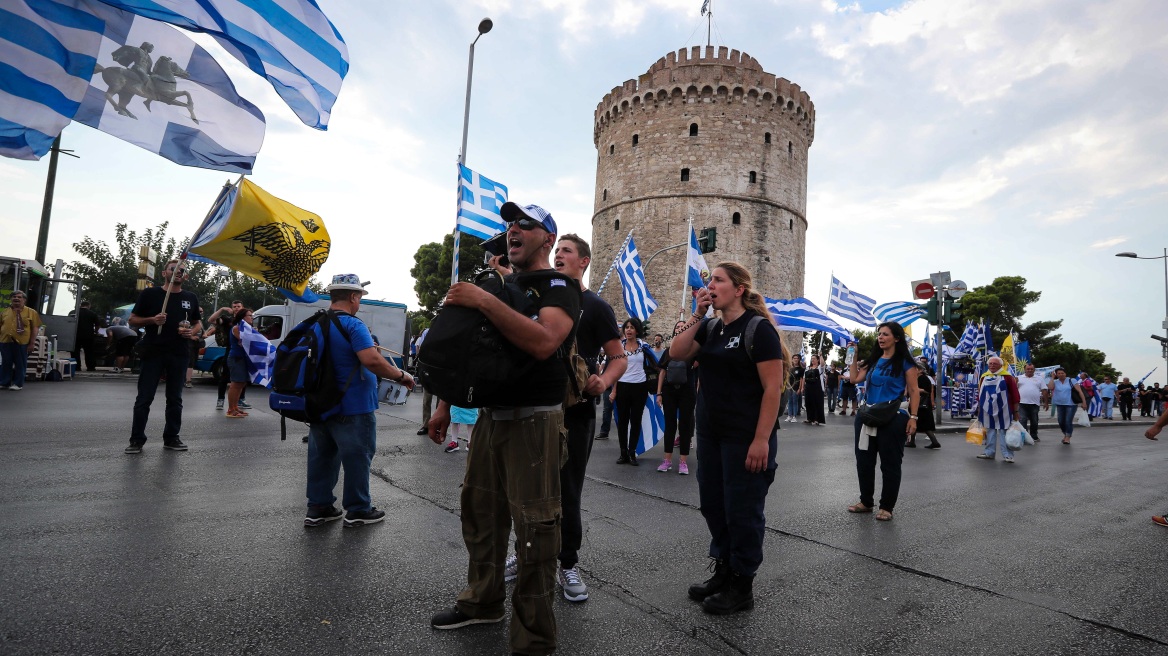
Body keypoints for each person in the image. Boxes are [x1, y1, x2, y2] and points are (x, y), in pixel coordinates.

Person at [427, 202, 580, 656]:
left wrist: (484, 300)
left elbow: (544, 341)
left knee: (534, 530)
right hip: (491, 417)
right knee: (480, 516)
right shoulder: (501, 284)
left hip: (535, 420)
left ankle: (533, 638)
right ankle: (483, 602)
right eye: (509, 225)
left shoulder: (559, 286)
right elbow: (470, 354)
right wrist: (444, 405)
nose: (512, 230)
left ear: (548, 238)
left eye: (525, 225)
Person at [668, 262, 786, 615]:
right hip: (712, 434)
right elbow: (675, 353)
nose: (711, 284)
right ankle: (723, 570)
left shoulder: (758, 329)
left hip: (745, 436)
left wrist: (761, 440)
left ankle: (742, 584)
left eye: (718, 280)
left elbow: (772, 389)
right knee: (714, 505)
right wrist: (697, 313)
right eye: (710, 280)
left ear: (738, 290)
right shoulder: (711, 327)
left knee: (743, 512)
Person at [537, 233, 625, 602]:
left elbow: (619, 357)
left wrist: (603, 380)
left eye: (566, 251)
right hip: (536, 407)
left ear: (583, 261)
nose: (558, 255)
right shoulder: (540, 299)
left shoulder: (596, 306)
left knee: (567, 490)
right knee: (532, 488)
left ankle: (567, 563)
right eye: (556, 251)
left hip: (577, 412)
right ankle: (529, 552)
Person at [305, 273, 415, 528]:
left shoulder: (315, 323)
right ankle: (358, 510)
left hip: (320, 403)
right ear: (353, 297)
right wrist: (401, 376)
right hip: (353, 405)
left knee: (321, 457)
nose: (359, 303)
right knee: (357, 457)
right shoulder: (354, 326)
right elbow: (372, 359)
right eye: (359, 298)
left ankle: (318, 507)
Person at [124, 261, 202, 453]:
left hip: (179, 353)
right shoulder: (150, 294)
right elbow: (132, 320)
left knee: (175, 398)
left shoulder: (190, 297)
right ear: (164, 272)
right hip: (154, 351)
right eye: (173, 269)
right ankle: (136, 440)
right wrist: (152, 320)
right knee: (144, 397)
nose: (178, 272)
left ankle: (172, 438)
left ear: (185, 276)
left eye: (181, 270)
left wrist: (191, 332)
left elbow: (198, 323)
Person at [846, 322, 920, 522]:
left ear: (896, 338)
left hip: (893, 417)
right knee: (864, 462)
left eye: (885, 334)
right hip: (867, 416)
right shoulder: (874, 360)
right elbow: (854, 379)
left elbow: (913, 391)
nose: (880, 337)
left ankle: (887, 506)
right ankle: (866, 502)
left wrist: (913, 418)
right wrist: (852, 356)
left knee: (890, 464)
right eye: (879, 334)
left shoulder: (905, 362)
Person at [611, 317, 655, 466]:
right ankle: (623, 452)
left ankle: (632, 452)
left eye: (632, 327)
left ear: (637, 330)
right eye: (627, 327)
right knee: (622, 421)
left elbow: (655, 364)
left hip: (639, 387)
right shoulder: (619, 347)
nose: (629, 330)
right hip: (623, 386)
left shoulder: (644, 346)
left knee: (635, 421)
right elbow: (615, 369)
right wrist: (614, 390)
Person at [655, 319, 697, 474]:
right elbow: (662, 372)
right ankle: (667, 460)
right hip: (669, 391)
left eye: (683, 327)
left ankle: (683, 462)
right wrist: (659, 393)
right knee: (670, 424)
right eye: (677, 327)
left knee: (685, 425)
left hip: (687, 391)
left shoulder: (693, 350)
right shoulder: (669, 351)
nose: (680, 329)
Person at [975, 357, 1020, 463]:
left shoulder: (1008, 377)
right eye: (990, 363)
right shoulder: (984, 377)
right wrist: (979, 409)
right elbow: (980, 393)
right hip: (987, 409)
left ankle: (1008, 455)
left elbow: (1014, 394)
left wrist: (1016, 411)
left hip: (1005, 409)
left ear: (1000, 365)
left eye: (995, 363)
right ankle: (989, 452)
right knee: (990, 431)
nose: (992, 365)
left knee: (1004, 432)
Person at [203, 301, 247, 410]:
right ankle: (220, 400)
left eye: (238, 306)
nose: (236, 308)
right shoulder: (228, 320)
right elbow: (211, 320)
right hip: (230, 350)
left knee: (243, 377)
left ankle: (241, 400)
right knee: (225, 376)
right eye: (234, 307)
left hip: (244, 351)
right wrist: (222, 309)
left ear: (242, 307)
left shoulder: (246, 321)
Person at [0, 291, 42, 390]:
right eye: (14, 297)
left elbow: (35, 328)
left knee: (20, 363)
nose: (16, 298)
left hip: (21, 342)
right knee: (6, 363)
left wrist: (32, 343)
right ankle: (4, 382)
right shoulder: (5, 312)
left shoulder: (31, 312)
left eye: (19, 297)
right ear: (11, 299)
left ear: (24, 300)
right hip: (5, 341)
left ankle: (18, 384)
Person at [225, 307, 254, 418]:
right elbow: (246, 342)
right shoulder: (237, 328)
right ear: (243, 317)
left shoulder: (247, 329)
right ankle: (230, 409)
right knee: (236, 384)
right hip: (236, 358)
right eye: (249, 315)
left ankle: (235, 407)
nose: (252, 317)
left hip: (243, 359)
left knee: (241, 383)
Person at [906, 361, 940, 449]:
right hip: (919, 404)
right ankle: (911, 441)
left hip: (922, 405)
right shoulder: (917, 378)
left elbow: (927, 390)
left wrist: (916, 390)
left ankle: (934, 442)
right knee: (916, 422)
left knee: (923, 424)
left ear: (920, 370)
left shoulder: (923, 378)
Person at [1049, 368, 1087, 445]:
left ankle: (1068, 437)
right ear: (1056, 374)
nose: (1061, 375)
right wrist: (1052, 377)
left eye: (1062, 373)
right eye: (1059, 373)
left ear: (1065, 373)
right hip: (1060, 404)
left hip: (1071, 404)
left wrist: (1084, 402)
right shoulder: (1055, 382)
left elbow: (1080, 391)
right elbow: (1050, 387)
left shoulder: (1071, 380)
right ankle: (1066, 433)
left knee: (1068, 421)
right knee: (1060, 421)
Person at [1015, 363, 1045, 442]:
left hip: (1034, 404)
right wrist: (1015, 382)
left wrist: (1045, 402)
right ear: (1024, 369)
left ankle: (1034, 436)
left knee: (1034, 421)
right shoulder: (1018, 378)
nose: (1030, 370)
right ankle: (1024, 437)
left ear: (1034, 370)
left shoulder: (1039, 379)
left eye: (1031, 369)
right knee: (1022, 420)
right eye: (1028, 369)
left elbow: (1044, 390)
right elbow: (1013, 390)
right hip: (1021, 403)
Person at [415, 326, 433, 435]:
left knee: (441, 402)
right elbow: (421, 347)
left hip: (442, 369)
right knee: (427, 400)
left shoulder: (447, 328)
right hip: (429, 368)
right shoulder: (428, 331)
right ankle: (426, 425)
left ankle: (438, 425)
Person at [75, 300, 101, 371]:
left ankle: (76, 367)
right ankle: (90, 367)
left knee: (75, 351)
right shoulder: (92, 313)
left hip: (76, 335)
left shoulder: (75, 312)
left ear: (81, 305)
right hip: (88, 335)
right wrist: (95, 331)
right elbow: (97, 325)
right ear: (89, 306)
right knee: (89, 352)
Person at [801, 354, 826, 426]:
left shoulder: (819, 368)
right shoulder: (808, 368)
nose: (813, 360)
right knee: (808, 402)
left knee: (817, 402)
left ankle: (817, 419)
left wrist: (821, 355)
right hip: (809, 386)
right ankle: (809, 418)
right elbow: (804, 378)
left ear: (817, 360)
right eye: (812, 358)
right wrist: (802, 387)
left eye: (814, 358)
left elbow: (822, 364)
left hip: (817, 387)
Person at [784, 354, 804, 422]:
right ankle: (789, 415)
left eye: (797, 358)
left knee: (795, 401)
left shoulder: (801, 369)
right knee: (789, 401)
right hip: (790, 387)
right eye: (794, 358)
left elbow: (801, 379)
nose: (795, 359)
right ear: (792, 359)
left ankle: (794, 416)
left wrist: (800, 388)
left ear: (799, 359)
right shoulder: (789, 368)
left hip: (796, 387)